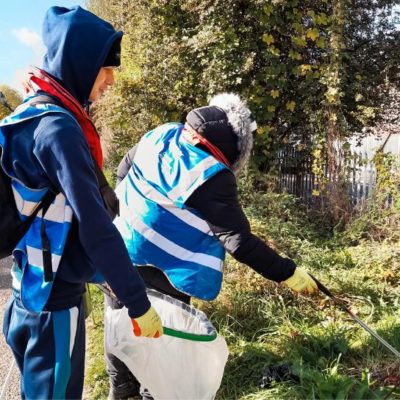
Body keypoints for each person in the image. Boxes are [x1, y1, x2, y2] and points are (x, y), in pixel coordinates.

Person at [105, 93, 318, 399]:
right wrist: (288, 273)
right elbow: (240, 242)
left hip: (118, 249)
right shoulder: (211, 175)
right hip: (165, 268)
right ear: (234, 149)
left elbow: (124, 172)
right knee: (161, 339)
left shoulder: (162, 133)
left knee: (119, 320)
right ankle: (153, 393)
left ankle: (121, 390)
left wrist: (130, 215)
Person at [0, 6, 162, 400]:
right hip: (53, 304)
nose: (109, 80)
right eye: (104, 69)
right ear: (80, 62)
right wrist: (138, 302)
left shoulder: (34, 113)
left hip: (29, 292)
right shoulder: (58, 129)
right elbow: (93, 224)